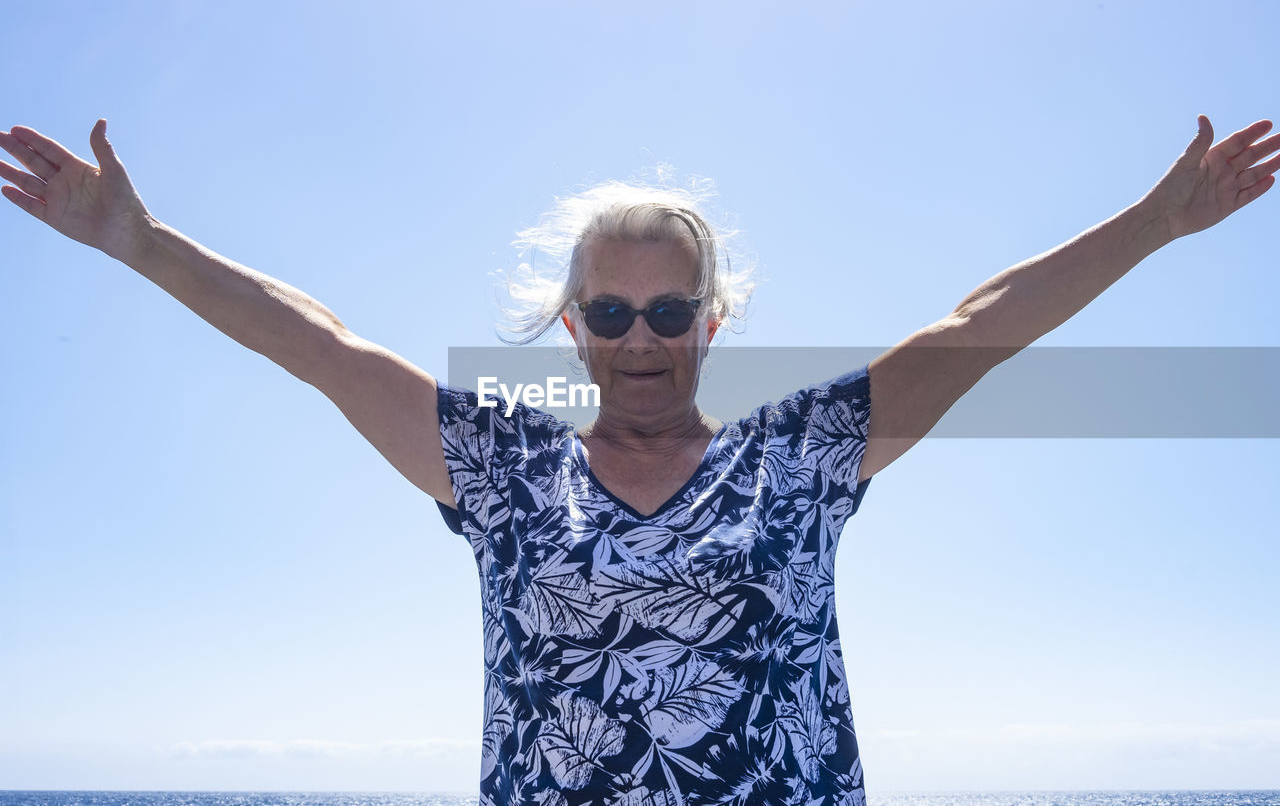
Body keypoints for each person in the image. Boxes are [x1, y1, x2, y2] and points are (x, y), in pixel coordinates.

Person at [1, 116, 1276, 805]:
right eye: (610, 314)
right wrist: (142, 244)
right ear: (574, 330)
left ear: (711, 322)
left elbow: (978, 326)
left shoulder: (805, 453)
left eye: (670, 312)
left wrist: (1160, 222)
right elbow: (326, 348)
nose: (641, 339)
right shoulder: (499, 471)